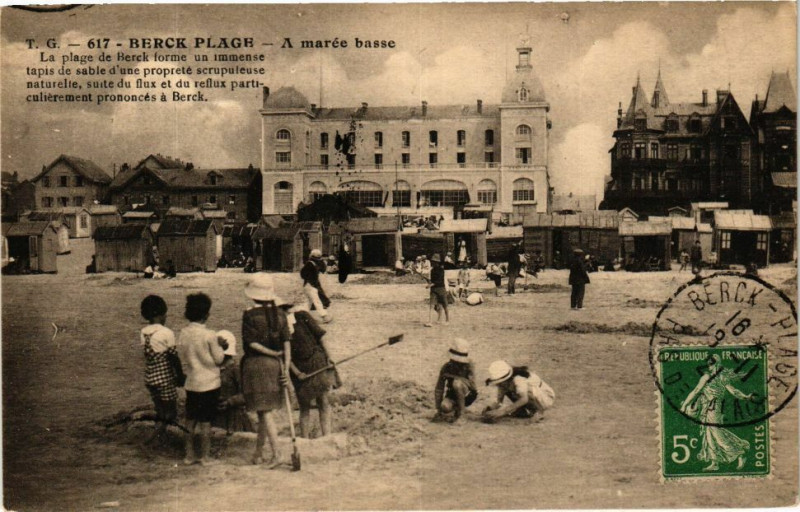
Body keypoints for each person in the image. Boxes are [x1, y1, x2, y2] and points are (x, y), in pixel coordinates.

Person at [241, 274, 292, 467]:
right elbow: (287, 343)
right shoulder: (280, 315)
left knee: (264, 411)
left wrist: (270, 352)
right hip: (276, 365)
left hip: (257, 365)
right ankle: (258, 453)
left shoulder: (250, 314)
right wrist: (285, 367)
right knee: (265, 411)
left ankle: (277, 453)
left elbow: (251, 343)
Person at [177, 293, 228, 465]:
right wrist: (222, 346)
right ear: (206, 314)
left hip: (192, 383)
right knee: (206, 422)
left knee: (190, 421)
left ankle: (189, 455)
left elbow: (182, 355)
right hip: (209, 383)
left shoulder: (183, 333)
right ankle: (205, 456)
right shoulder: (210, 335)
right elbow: (219, 359)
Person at [680, 355, 752, 471]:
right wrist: (745, 397)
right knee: (709, 433)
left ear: (716, 364)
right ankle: (715, 462)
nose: (710, 366)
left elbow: (696, 391)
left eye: (711, 363)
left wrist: (684, 405)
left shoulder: (710, 377)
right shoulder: (720, 377)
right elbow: (733, 391)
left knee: (716, 432)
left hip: (713, 407)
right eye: (709, 364)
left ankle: (739, 452)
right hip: (708, 407)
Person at [280, 300, 339, 438]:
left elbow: (321, 337)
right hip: (298, 369)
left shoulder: (302, 316)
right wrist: (296, 372)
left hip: (316, 361)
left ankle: (327, 436)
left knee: (323, 400)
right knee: (304, 405)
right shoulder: (277, 329)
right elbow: (284, 355)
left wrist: (329, 357)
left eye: (284, 309)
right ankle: (305, 439)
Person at [139, 295, 179, 446]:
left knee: (161, 411)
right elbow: (173, 357)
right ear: (161, 314)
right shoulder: (166, 332)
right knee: (170, 414)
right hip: (164, 378)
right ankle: (150, 441)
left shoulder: (144, 332)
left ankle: (159, 438)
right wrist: (180, 375)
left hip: (150, 377)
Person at [482, 360, 554, 422]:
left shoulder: (518, 379)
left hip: (545, 397)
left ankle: (539, 412)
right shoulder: (503, 384)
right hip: (534, 396)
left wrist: (503, 411)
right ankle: (522, 411)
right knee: (510, 391)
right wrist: (490, 409)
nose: (499, 384)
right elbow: (499, 402)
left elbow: (524, 399)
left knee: (526, 391)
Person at [213, 330, 255, 435]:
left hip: (234, 417)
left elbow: (247, 393)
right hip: (216, 416)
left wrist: (230, 402)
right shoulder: (213, 369)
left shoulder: (235, 369)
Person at [433, 338, 478, 424]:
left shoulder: (469, 366)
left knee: (457, 383)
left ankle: (462, 414)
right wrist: (438, 409)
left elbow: (473, 386)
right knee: (445, 407)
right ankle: (456, 409)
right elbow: (439, 389)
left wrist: (455, 377)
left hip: (468, 395)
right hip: (452, 395)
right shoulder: (446, 367)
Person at [301, 249, 332, 323]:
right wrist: (309, 280)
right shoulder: (310, 264)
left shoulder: (315, 263)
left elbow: (323, 270)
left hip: (310, 285)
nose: (319, 259)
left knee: (309, 302)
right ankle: (324, 316)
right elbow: (303, 274)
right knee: (316, 301)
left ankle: (303, 317)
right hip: (310, 285)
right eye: (318, 257)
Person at [429, 254, 449, 325]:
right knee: (432, 305)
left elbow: (440, 280)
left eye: (434, 262)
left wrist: (432, 284)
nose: (433, 263)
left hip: (441, 289)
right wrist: (430, 283)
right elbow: (432, 280)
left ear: (437, 262)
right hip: (433, 289)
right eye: (433, 262)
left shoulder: (441, 270)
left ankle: (447, 321)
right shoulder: (432, 271)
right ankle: (430, 322)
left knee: (444, 305)